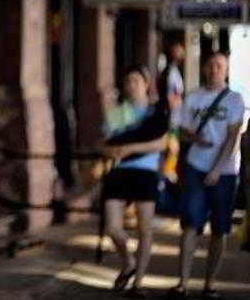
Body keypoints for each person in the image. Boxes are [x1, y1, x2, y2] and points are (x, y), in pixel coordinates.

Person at [167, 51, 245, 300]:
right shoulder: (192, 97)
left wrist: (217, 169)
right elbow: (180, 130)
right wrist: (193, 137)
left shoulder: (234, 100)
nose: (214, 70)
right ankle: (182, 284)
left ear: (227, 70)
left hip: (224, 171)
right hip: (194, 166)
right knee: (190, 224)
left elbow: (233, 137)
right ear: (203, 68)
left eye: (219, 66)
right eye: (210, 65)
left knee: (219, 229)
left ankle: (209, 284)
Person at [101, 64, 169, 299]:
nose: (131, 86)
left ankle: (138, 281)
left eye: (136, 81)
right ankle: (128, 261)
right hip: (120, 173)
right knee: (112, 228)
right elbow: (108, 149)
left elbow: (161, 144)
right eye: (128, 81)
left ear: (146, 84)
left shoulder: (154, 113)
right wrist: (121, 150)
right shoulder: (118, 114)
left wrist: (128, 147)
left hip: (146, 173)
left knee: (145, 229)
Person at [158, 40, 186, 184]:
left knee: (172, 150)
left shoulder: (174, 70)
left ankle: (166, 176)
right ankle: (165, 179)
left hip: (173, 117)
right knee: (171, 149)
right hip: (170, 118)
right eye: (177, 50)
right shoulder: (170, 71)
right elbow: (170, 96)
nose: (180, 53)